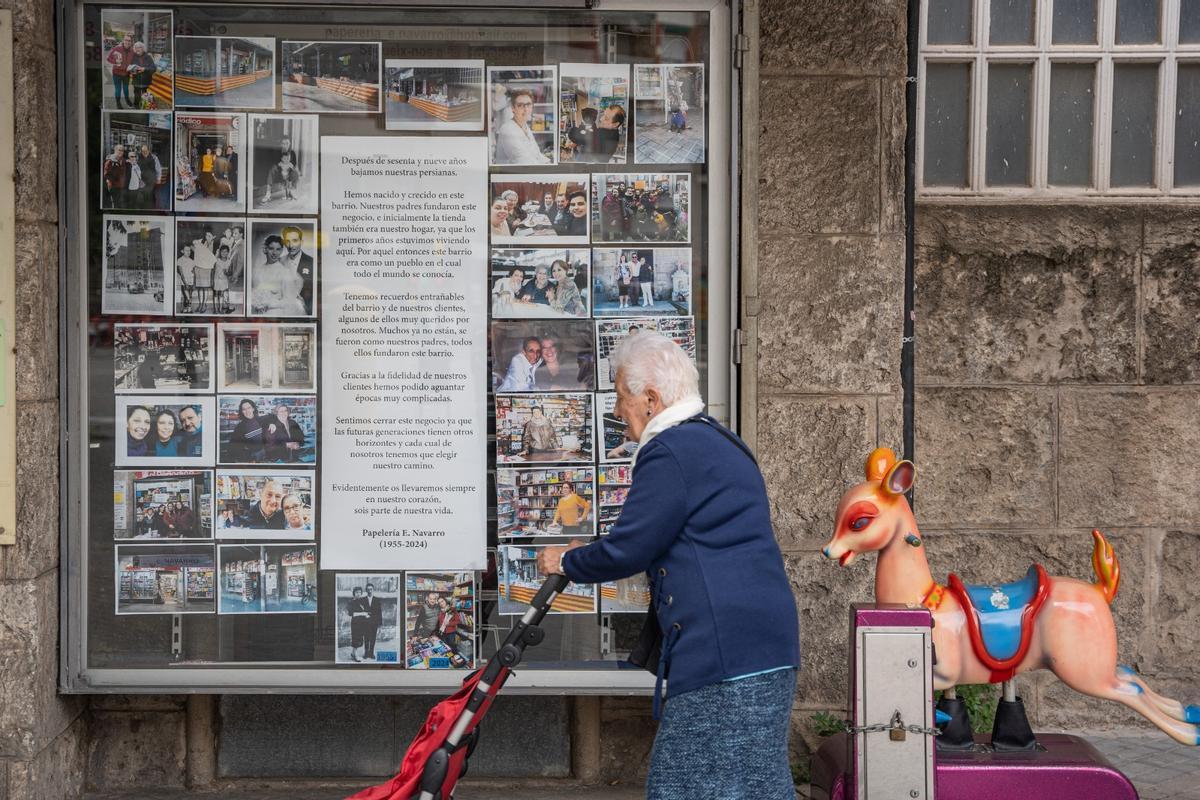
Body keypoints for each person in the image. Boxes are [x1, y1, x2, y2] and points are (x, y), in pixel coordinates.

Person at [536, 332, 799, 799]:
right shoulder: (718, 440)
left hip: (724, 657)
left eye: (622, 397)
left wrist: (567, 560)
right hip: (759, 648)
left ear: (651, 399)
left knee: (680, 787)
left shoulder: (671, 451)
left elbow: (630, 547)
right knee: (755, 785)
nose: (618, 411)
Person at [493, 88, 550, 165]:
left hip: (526, 173)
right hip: (511, 175)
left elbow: (536, 154)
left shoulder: (525, 127)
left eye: (528, 104)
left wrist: (548, 163)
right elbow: (522, 160)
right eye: (520, 105)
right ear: (513, 108)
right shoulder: (507, 130)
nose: (526, 109)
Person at [251, 235, 305, 316]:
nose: (274, 253)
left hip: (275, 313)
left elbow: (289, 301)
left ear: (281, 251)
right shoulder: (258, 270)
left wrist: (268, 304)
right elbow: (254, 292)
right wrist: (256, 302)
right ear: (266, 249)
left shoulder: (284, 272)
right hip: (258, 313)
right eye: (271, 248)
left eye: (278, 249)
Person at [281, 226, 314, 315]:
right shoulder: (279, 262)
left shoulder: (311, 262)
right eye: (287, 241)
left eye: (295, 241)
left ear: (301, 242)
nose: (291, 245)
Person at [106, 33, 135, 108]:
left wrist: (133, 68)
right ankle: (118, 103)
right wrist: (115, 62)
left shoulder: (132, 51)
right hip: (117, 73)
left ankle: (127, 100)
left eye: (129, 40)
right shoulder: (117, 49)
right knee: (118, 89)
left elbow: (133, 62)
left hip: (126, 74)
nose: (127, 42)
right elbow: (108, 58)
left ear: (131, 42)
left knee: (126, 89)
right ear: (123, 40)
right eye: (126, 40)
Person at [127, 42, 158, 110]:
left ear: (143, 48)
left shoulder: (148, 57)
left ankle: (145, 107)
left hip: (145, 81)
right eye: (136, 47)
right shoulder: (133, 57)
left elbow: (154, 68)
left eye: (139, 47)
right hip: (136, 80)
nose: (137, 49)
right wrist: (132, 71)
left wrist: (144, 69)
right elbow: (129, 67)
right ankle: (136, 107)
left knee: (145, 95)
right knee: (137, 95)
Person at [103, 144, 130, 208]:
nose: (121, 152)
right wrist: (113, 181)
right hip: (114, 187)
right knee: (115, 204)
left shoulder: (123, 160)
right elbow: (106, 174)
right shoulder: (110, 161)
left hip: (122, 186)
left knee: (121, 204)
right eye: (119, 150)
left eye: (122, 150)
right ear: (115, 150)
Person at [135, 144, 162, 210]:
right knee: (142, 195)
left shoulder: (154, 157)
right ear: (141, 151)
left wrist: (158, 179)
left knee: (151, 195)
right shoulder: (138, 157)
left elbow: (158, 169)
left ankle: (151, 209)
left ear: (149, 150)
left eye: (146, 151)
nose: (144, 153)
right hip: (141, 180)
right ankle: (144, 209)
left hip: (151, 179)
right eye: (143, 151)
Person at [361, 582, 383, 660]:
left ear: (373, 590)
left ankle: (371, 653)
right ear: (366, 590)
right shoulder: (363, 600)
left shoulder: (377, 600)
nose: (369, 591)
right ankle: (366, 653)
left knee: (373, 638)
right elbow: (360, 611)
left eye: (371, 589)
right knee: (366, 638)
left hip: (374, 623)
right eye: (368, 589)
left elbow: (379, 612)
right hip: (365, 623)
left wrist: (380, 624)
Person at [348, 586, 369, 662]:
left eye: (360, 592)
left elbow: (365, 611)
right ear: (354, 593)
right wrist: (363, 614)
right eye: (357, 592)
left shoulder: (361, 602)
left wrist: (366, 614)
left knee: (359, 639)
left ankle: (353, 653)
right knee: (356, 639)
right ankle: (355, 655)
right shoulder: (351, 602)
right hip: (355, 623)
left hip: (362, 623)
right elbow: (351, 614)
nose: (358, 594)